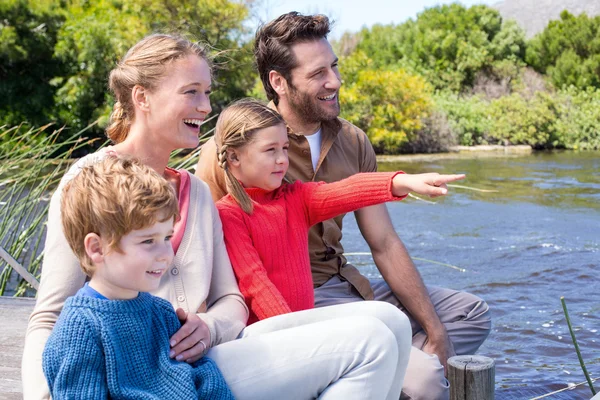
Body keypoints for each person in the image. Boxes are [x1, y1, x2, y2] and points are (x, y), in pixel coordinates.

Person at [22, 33, 412, 400]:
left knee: (390, 323)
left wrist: (209, 327)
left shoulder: (199, 192)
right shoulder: (88, 181)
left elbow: (231, 300)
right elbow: (49, 318)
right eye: (191, 92)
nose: (206, 107)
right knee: (371, 342)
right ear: (142, 98)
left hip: (210, 356)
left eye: (207, 93)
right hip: (150, 376)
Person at [196, 12, 492, 400]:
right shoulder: (231, 150)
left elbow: (382, 240)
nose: (334, 81)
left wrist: (436, 335)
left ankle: (385, 366)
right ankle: (391, 370)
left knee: (470, 314)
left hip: (349, 285)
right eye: (318, 73)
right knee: (425, 381)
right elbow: (212, 259)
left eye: (333, 67)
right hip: (290, 304)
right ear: (279, 82)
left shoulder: (353, 141)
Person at [213, 98, 465, 326]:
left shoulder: (295, 199)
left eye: (285, 148)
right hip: (269, 339)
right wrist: (293, 336)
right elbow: (256, 285)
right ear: (234, 157)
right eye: (271, 150)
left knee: (389, 321)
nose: (282, 159)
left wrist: (403, 182)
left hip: (300, 327)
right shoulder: (228, 214)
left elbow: (346, 191)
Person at [43, 156, 234, 399]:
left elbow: (202, 377)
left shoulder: (162, 313)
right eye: (148, 241)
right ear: (97, 248)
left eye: (167, 238)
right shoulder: (81, 329)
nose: (166, 254)